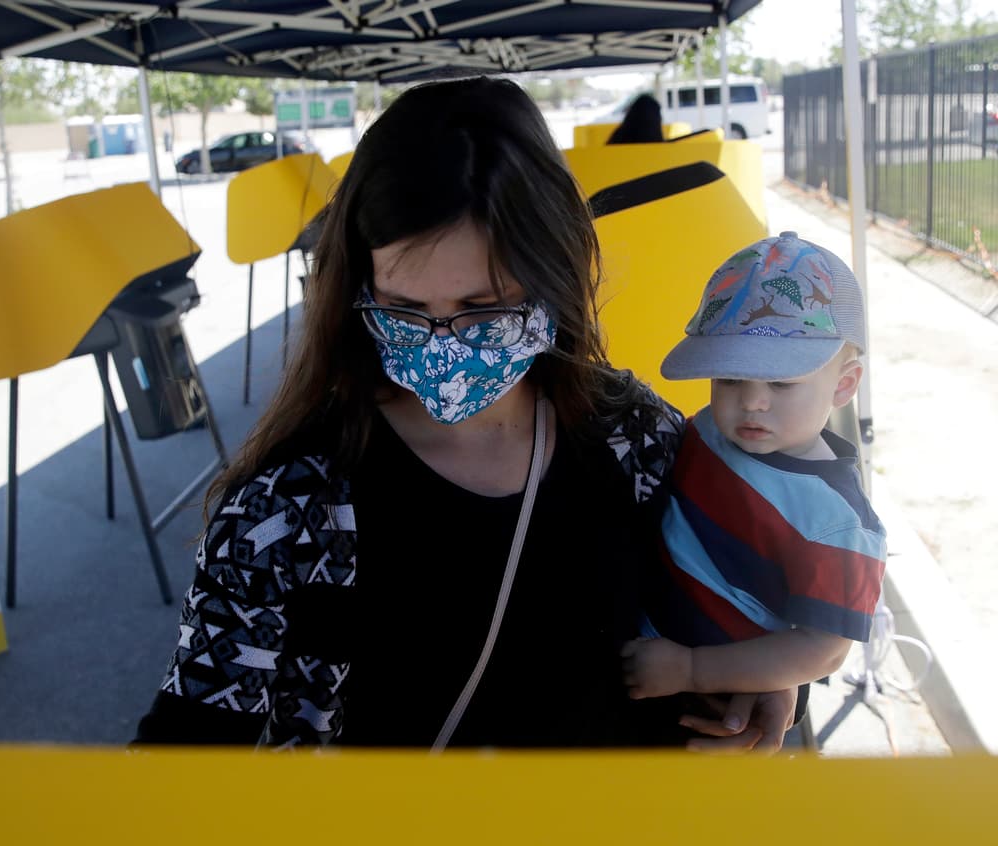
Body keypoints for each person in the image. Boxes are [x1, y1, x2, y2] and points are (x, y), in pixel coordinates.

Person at [134, 77, 798, 750]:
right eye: (405, 311)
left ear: (554, 279)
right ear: (357, 289)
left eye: (484, 310)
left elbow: (740, 588)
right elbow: (188, 747)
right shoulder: (287, 506)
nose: (443, 346)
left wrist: (768, 678)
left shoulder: (634, 439)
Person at [621, 232, 887, 701]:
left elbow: (823, 650)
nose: (751, 402)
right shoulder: (708, 430)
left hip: (711, 696)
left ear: (844, 386)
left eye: (781, 384)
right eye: (728, 377)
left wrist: (693, 670)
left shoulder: (838, 526)